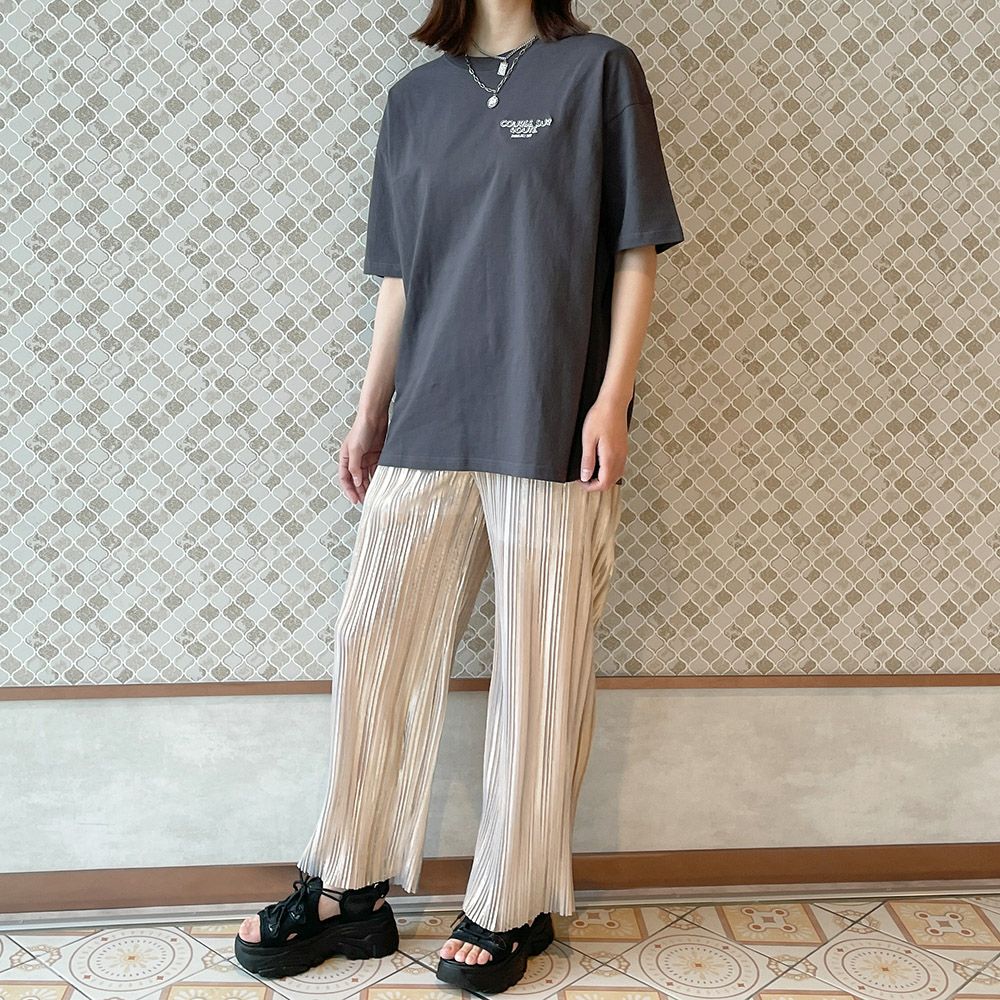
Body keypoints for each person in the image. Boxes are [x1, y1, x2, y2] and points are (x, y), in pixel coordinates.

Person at [233, 0, 685, 993]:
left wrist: (611, 400)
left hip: (552, 411)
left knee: (541, 658)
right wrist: (370, 414)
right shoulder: (414, 100)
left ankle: (512, 898)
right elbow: (401, 277)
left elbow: (634, 248)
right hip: (430, 414)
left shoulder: (599, 73)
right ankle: (348, 883)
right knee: (371, 637)